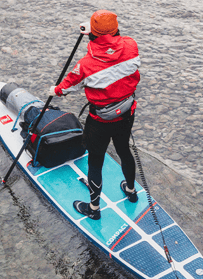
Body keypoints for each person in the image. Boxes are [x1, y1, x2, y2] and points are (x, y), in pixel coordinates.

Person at [49, 9, 141, 220]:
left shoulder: (86, 65)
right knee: (124, 151)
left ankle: (94, 208)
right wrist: (97, 33)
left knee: (96, 161)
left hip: (100, 121)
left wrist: (54, 90)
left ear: (93, 34)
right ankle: (130, 191)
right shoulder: (131, 46)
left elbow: (65, 87)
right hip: (126, 114)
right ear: (115, 29)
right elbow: (115, 44)